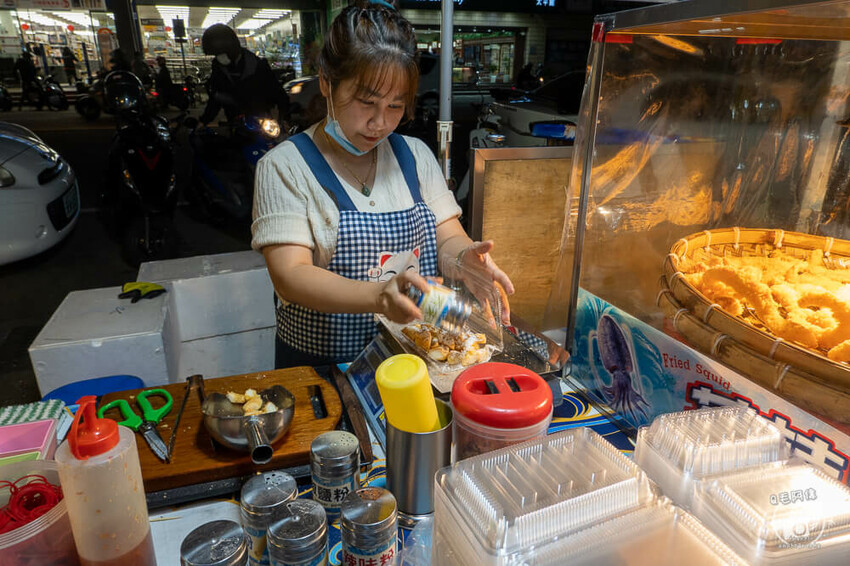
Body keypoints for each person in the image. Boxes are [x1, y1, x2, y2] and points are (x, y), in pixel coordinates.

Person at [252, 0, 514, 369]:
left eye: (395, 106)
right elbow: (290, 276)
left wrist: (463, 258)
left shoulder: (415, 155)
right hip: (324, 370)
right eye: (367, 102)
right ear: (326, 83)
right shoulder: (285, 166)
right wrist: (379, 296)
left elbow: (447, 235)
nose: (380, 123)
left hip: (412, 363)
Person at [199, 24, 289, 126]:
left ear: (232, 49)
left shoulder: (257, 65)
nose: (220, 58)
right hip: (235, 122)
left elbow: (277, 91)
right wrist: (204, 120)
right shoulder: (218, 67)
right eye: (216, 55)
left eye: (222, 54)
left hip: (261, 120)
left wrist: (285, 116)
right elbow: (216, 98)